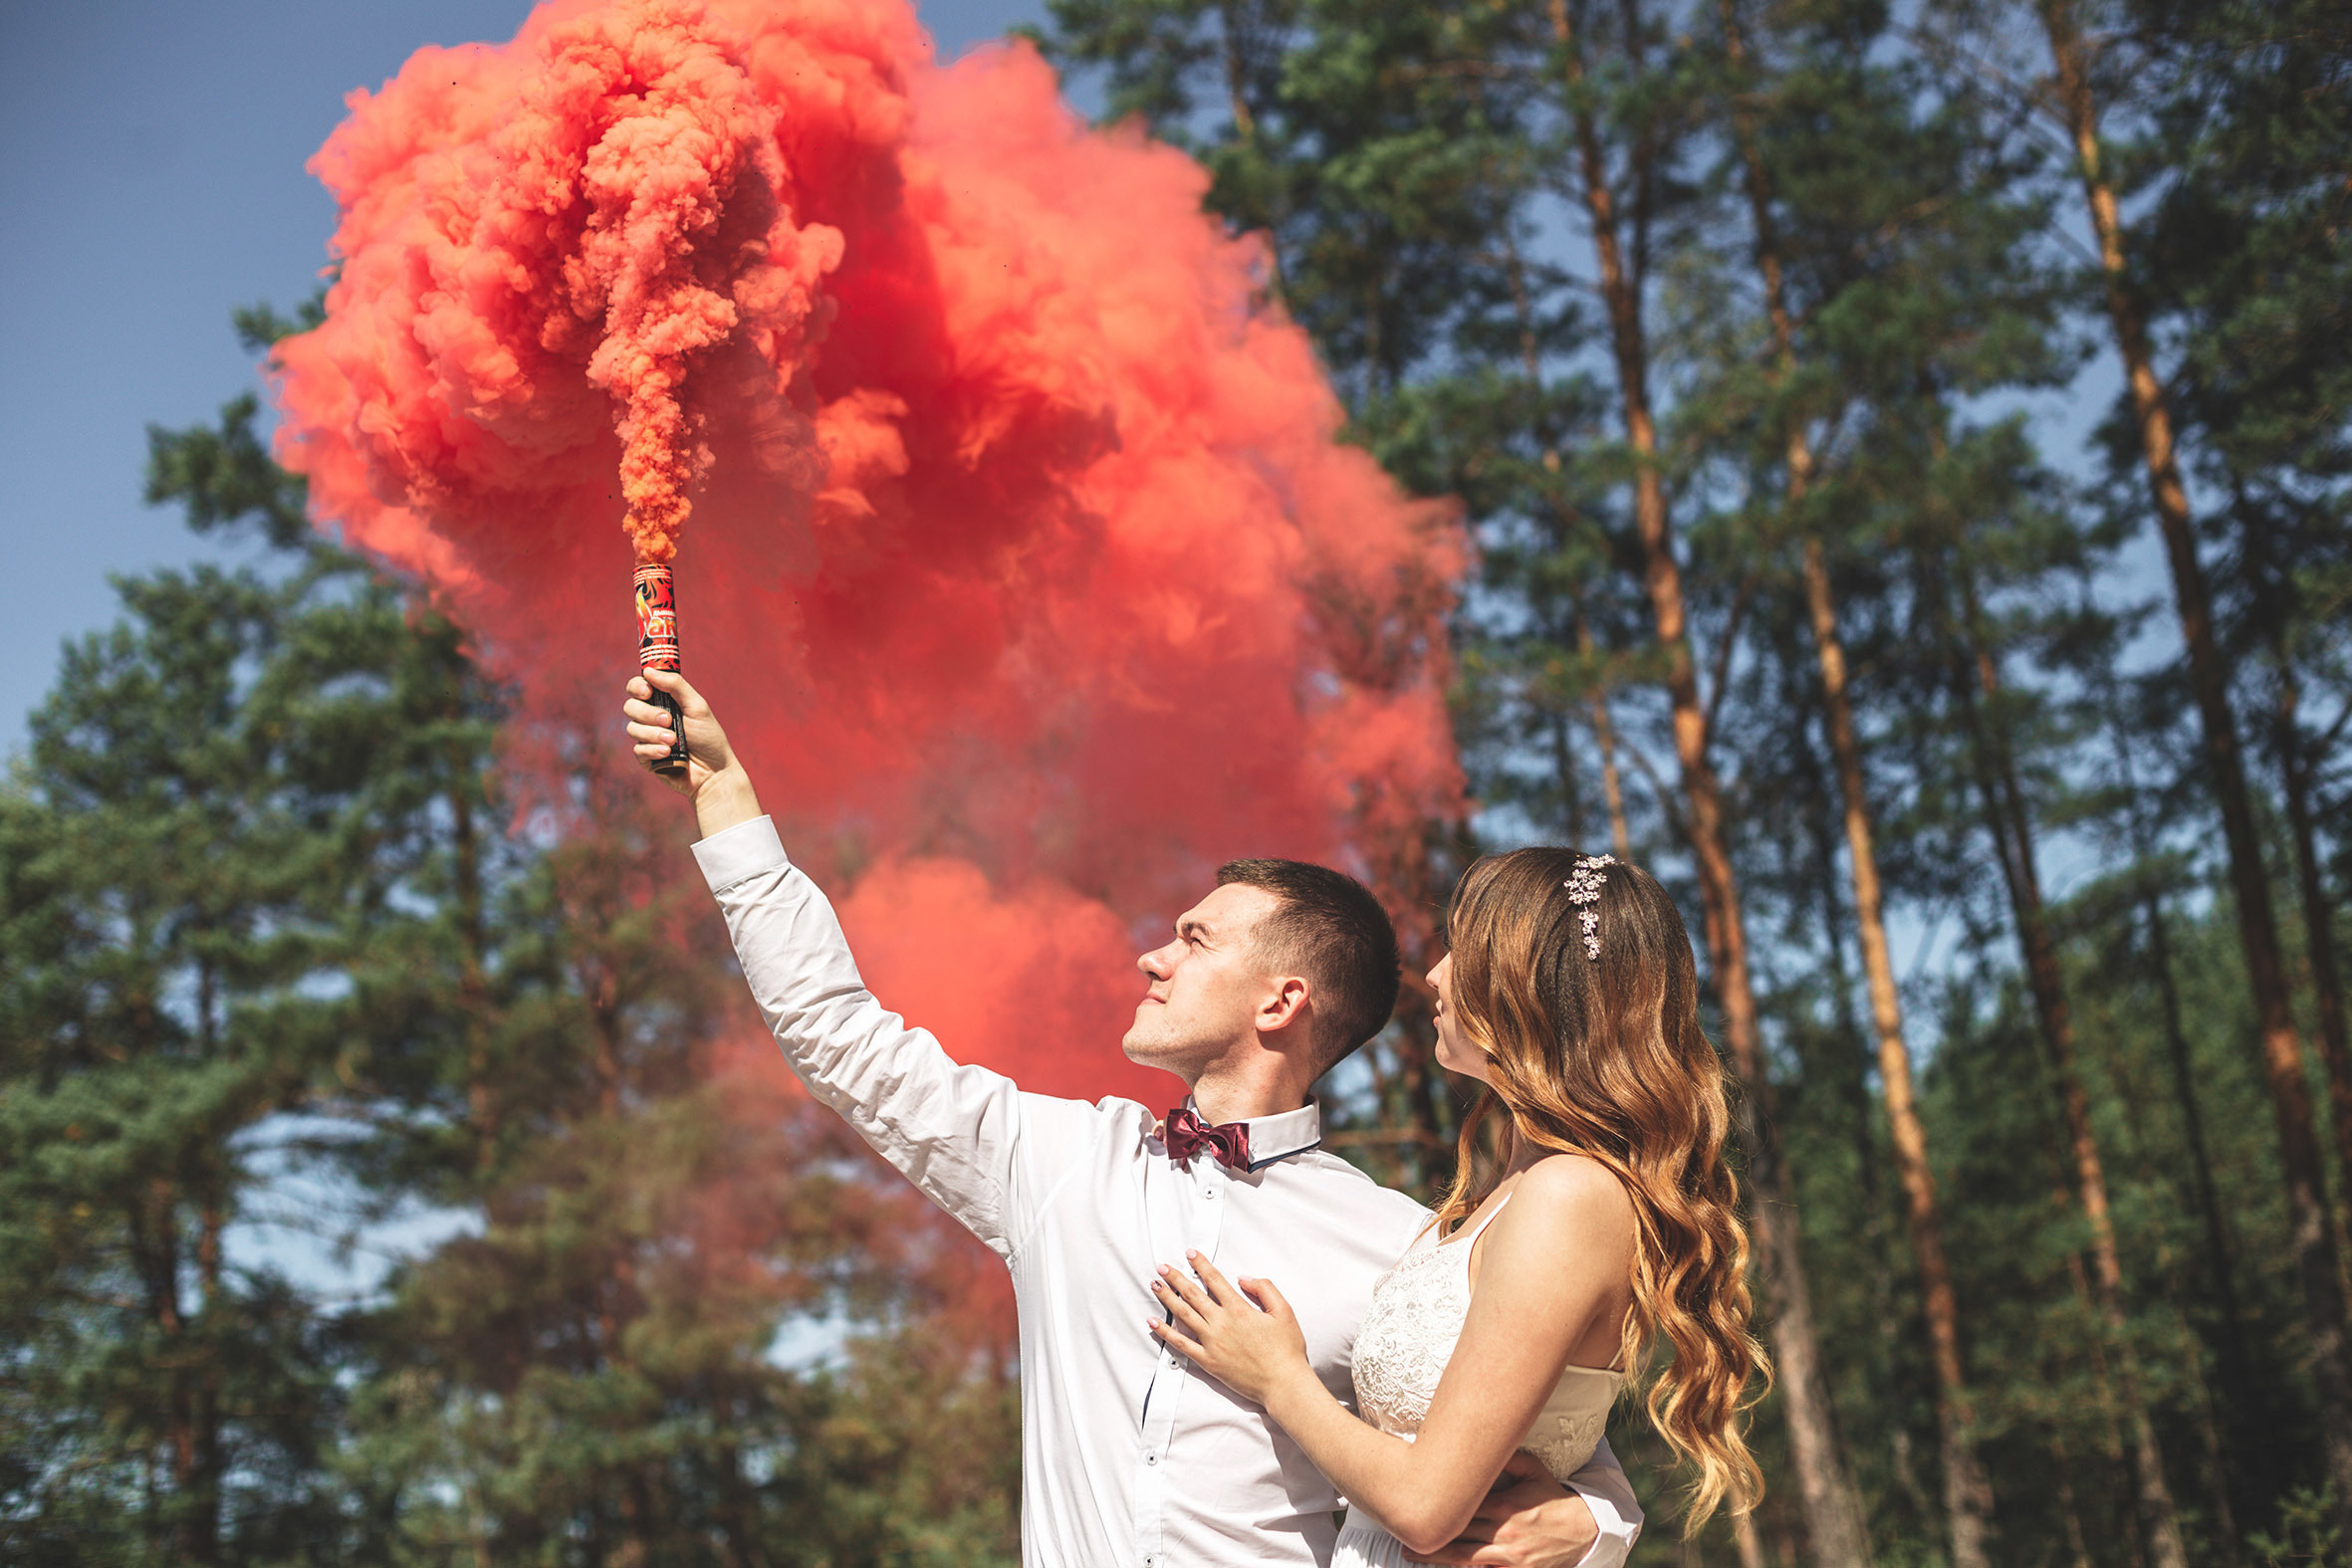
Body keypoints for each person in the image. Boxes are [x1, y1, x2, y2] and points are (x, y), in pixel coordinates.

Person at [622, 668, 1645, 1568]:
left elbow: (1548, 1437)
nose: (1152, 958)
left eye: (1194, 940)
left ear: (1280, 1001)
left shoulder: (1406, 1243)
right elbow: (835, 1031)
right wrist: (724, 794)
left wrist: (1594, 1523)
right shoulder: (1056, 1163)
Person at [1142, 849, 1770, 1566]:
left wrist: (1278, 1375)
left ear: (1527, 982)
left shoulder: (1569, 1194)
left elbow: (1424, 1504)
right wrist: (1601, 1516)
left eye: (1463, 950)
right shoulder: (1504, 1195)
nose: (1434, 973)